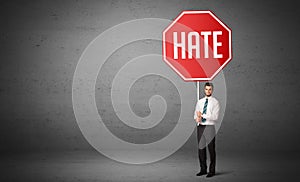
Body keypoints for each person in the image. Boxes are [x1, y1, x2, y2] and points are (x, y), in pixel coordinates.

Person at [194, 82, 220, 178]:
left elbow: (215, 117)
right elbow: (195, 114)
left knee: (211, 149)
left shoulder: (215, 102)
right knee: (201, 149)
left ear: (212, 90)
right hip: (200, 127)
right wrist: (197, 118)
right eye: (206, 89)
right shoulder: (200, 102)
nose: (208, 91)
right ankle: (203, 169)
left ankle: (212, 170)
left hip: (209, 127)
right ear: (204, 90)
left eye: (210, 89)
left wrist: (203, 115)